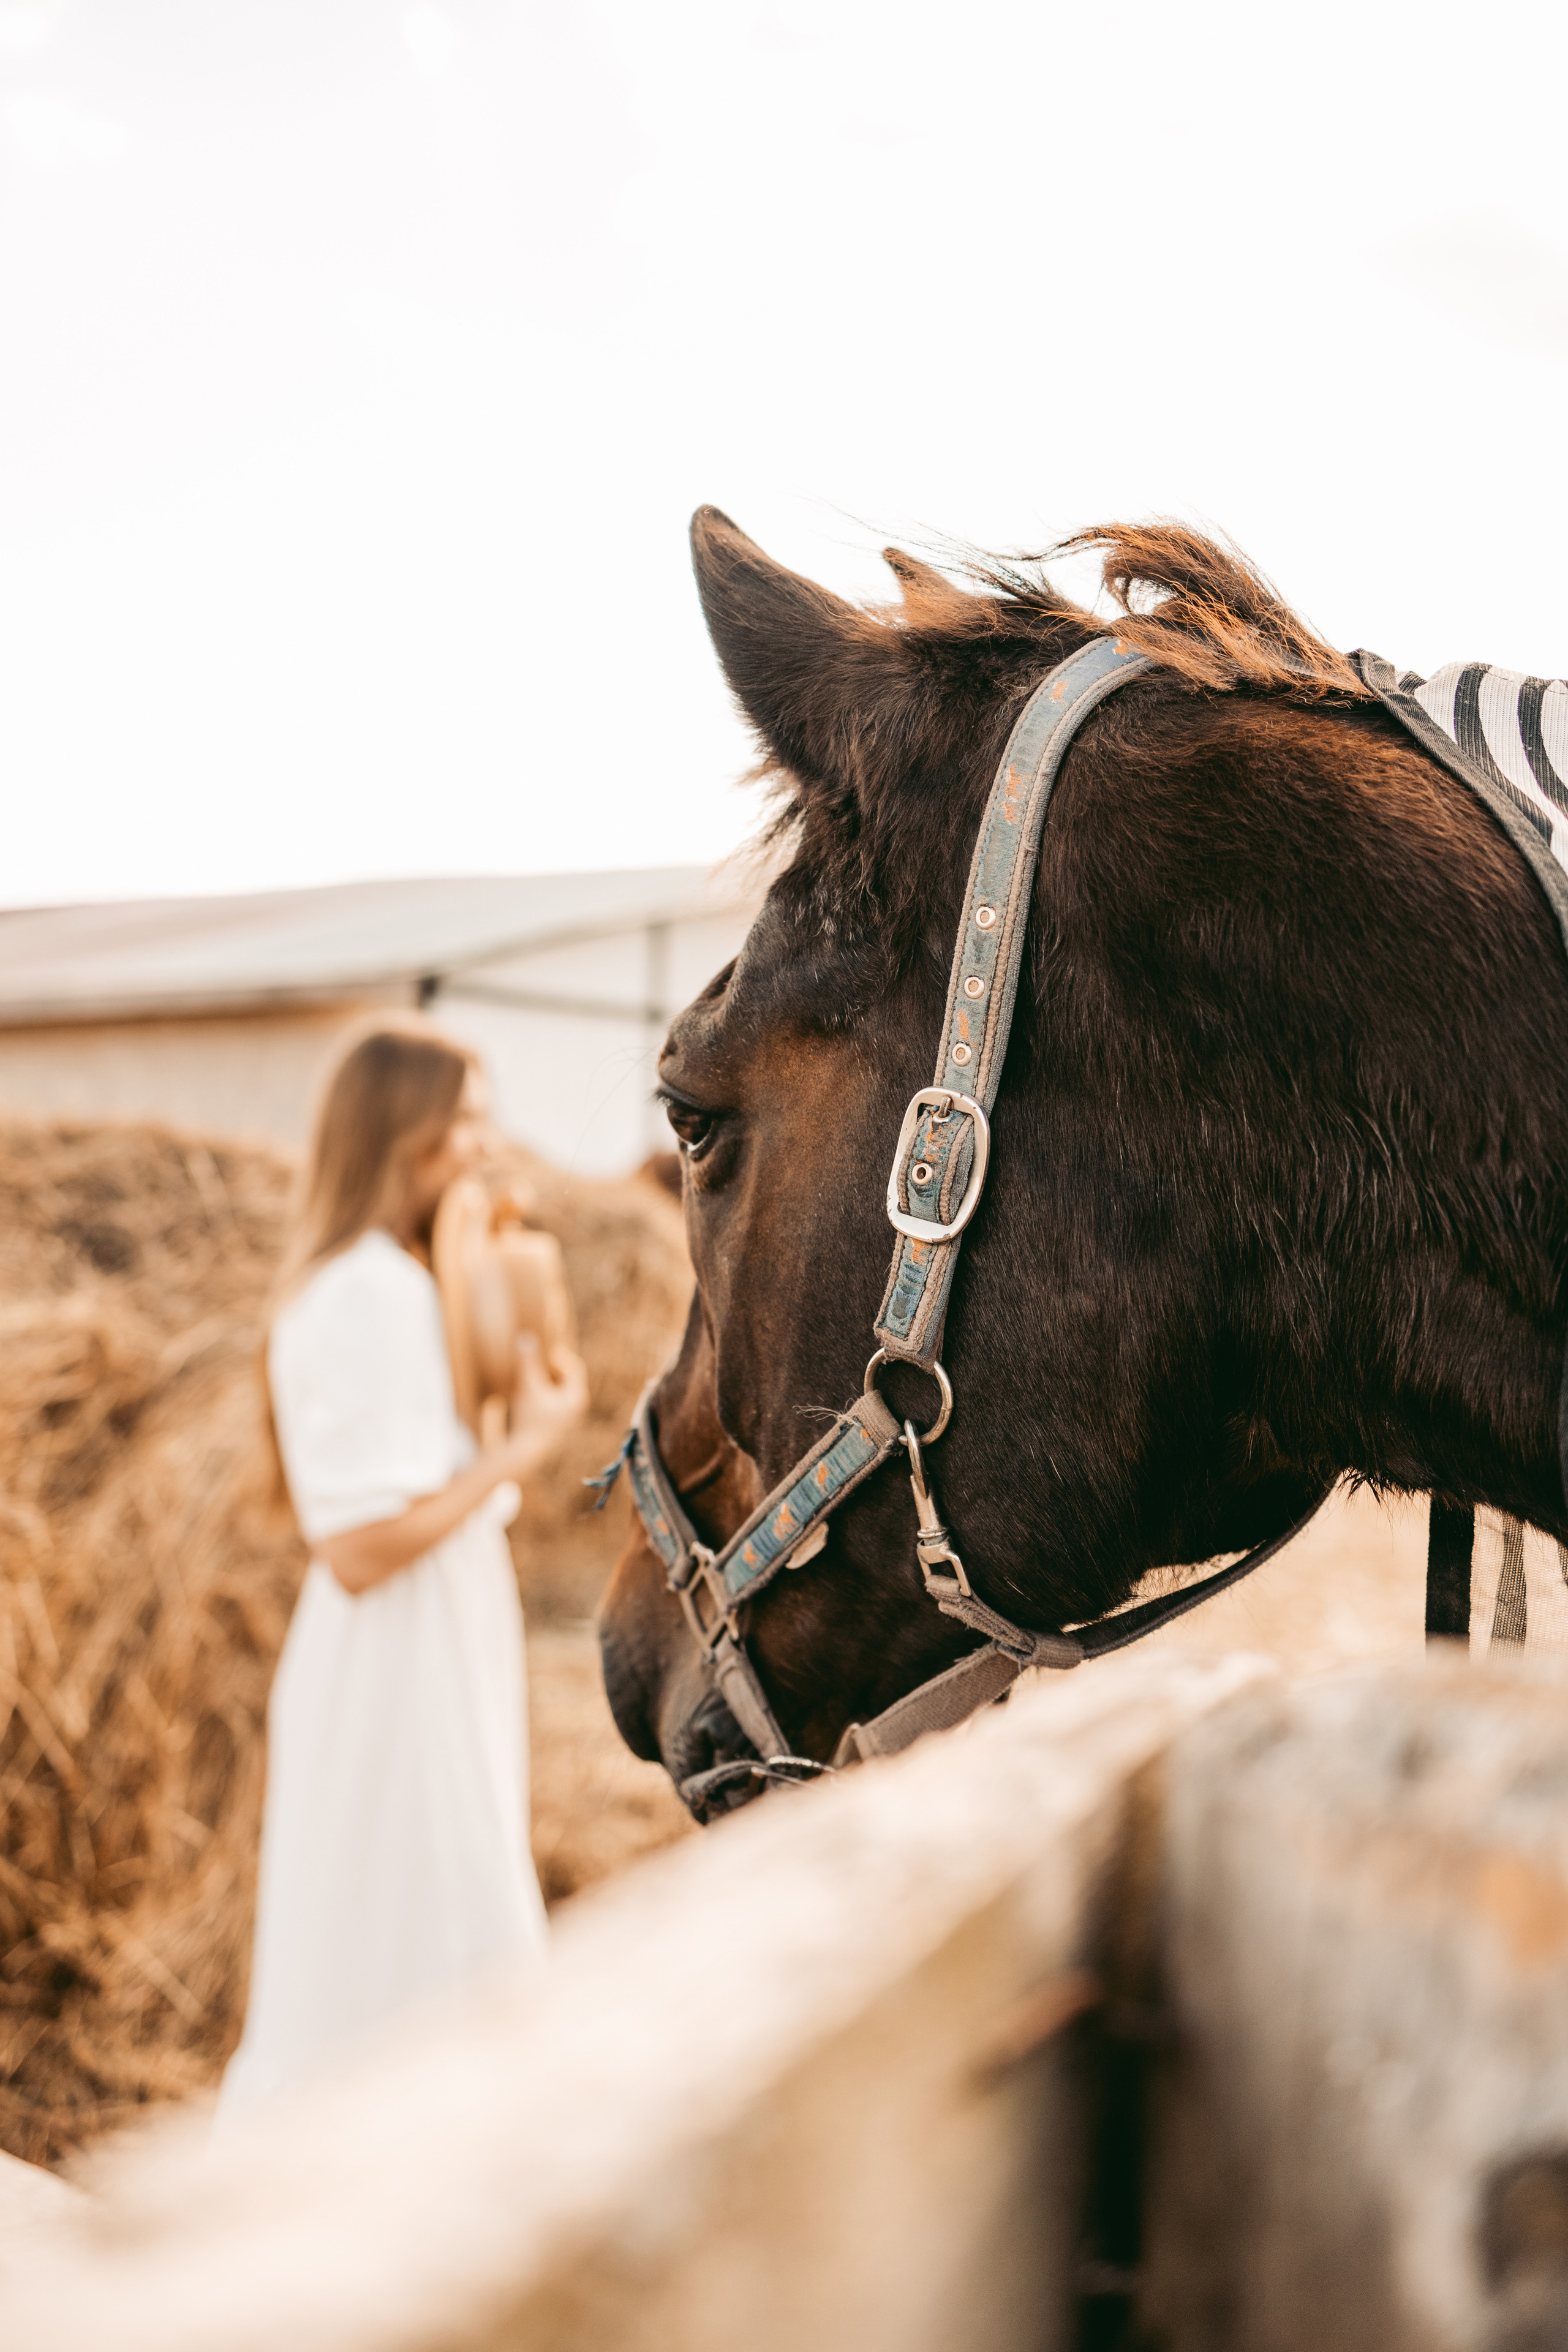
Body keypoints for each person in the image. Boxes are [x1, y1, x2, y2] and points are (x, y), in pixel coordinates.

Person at [216, 1022, 587, 2124]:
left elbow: (421, 1482)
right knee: (437, 1939)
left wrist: (510, 1402)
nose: (483, 1144)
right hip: (396, 1664)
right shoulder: (364, 1292)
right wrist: (526, 1451)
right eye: (464, 1118)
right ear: (402, 1133)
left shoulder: (399, 1282)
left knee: (417, 1942)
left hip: (428, 1650)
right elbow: (361, 1547)